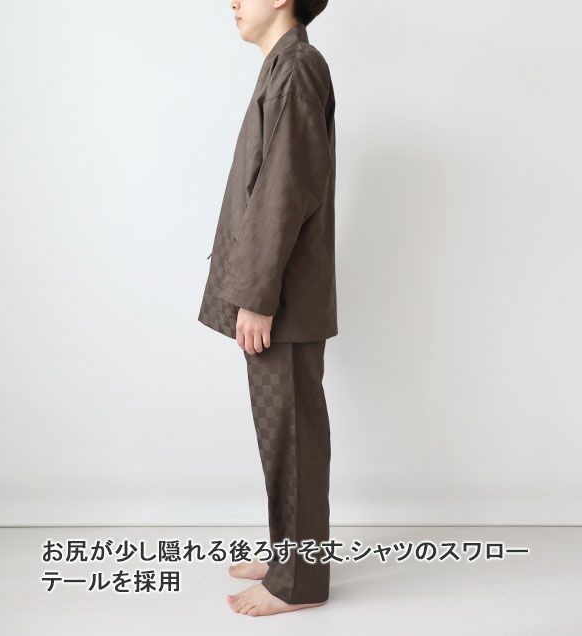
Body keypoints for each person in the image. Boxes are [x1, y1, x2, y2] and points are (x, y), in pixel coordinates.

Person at [198, 0, 337, 617]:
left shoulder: (298, 67)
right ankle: (290, 555)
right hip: (277, 293)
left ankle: (298, 581)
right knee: (282, 432)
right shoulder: (284, 65)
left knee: (293, 434)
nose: (233, 1)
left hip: (282, 298)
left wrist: (256, 297)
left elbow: (285, 187)